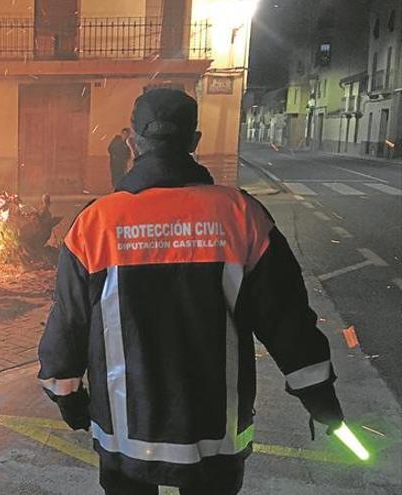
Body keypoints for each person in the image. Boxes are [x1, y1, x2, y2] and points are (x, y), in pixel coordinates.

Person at [37, 89, 344, 495]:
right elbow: (286, 318)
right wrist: (319, 396)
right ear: (195, 142)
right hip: (214, 434)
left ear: (131, 141)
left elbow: (69, 321)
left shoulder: (96, 223)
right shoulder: (240, 214)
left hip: (126, 434)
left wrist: (67, 394)